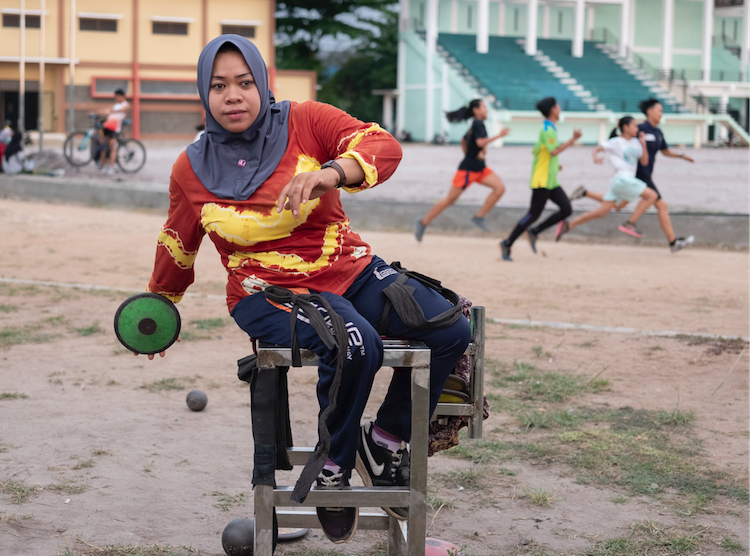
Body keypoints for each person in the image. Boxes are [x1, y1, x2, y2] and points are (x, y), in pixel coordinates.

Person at [138, 35, 470, 545]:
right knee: (356, 343)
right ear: (203, 94)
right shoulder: (191, 167)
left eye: (245, 83)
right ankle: (331, 470)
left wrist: (331, 173)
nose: (233, 96)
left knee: (450, 327)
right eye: (219, 85)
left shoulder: (306, 121)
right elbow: (179, 240)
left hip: (348, 267)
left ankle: (382, 442)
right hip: (265, 291)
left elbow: (383, 145)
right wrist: (160, 304)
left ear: (262, 83)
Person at [499, 97, 582, 261]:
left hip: (550, 180)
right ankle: (507, 243)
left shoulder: (550, 128)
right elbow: (554, 151)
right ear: (552, 110)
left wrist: (555, 165)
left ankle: (534, 232)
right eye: (557, 106)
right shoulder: (547, 130)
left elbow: (543, 152)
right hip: (542, 180)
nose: (559, 108)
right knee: (533, 214)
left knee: (566, 209)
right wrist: (572, 140)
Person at [414, 99, 509, 241]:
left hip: (480, 169)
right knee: (449, 200)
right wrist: (499, 136)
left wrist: (470, 155)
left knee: (500, 188)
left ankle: (479, 217)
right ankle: (423, 223)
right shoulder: (478, 123)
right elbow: (479, 142)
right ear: (476, 110)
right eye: (484, 107)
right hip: (467, 171)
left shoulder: (475, 125)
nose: (486, 110)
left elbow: (463, 140)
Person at [555, 116, 658, 240]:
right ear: (625, 127)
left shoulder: (636, 143)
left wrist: (643, 144)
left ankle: (568, 224)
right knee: (652, 196)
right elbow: (597, 149)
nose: (637, 129)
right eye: (634, 126)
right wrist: (595, 156)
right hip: (622, 179)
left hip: (623, 182)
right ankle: (630, 224)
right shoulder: (616, 141)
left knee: (605, 211)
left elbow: (645, 161)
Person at [100, 89, 130, 175]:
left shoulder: (126, 104)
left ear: (122, 96)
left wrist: (110, 111)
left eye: (117, 96)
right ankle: (104, 165)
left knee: (113, 149)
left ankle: (111, 168)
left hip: (114, 128)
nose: (115, 98)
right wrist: (97, 112)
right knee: (106, 147)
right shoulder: (116, 105)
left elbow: (122, 110)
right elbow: (106, 109)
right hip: (107, 127)